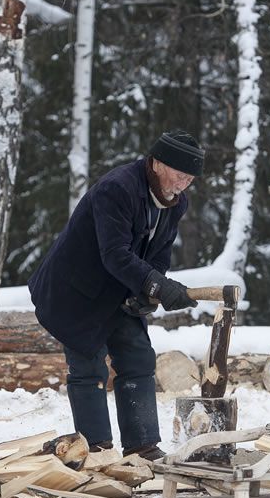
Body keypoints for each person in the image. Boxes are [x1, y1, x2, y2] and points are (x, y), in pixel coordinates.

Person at [28, 131, 204, 460]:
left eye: (190, 179)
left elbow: (159, 252)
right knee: (88, 367)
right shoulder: (118, 188)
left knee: (138, 358)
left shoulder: (175, 202)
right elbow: (114, 254)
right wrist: (155, 285)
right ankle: (96, 448)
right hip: (76, 291)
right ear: (158, 163)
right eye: (180, 176)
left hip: (118, 289)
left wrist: (149, 289)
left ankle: (143, 447)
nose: (183, 185)